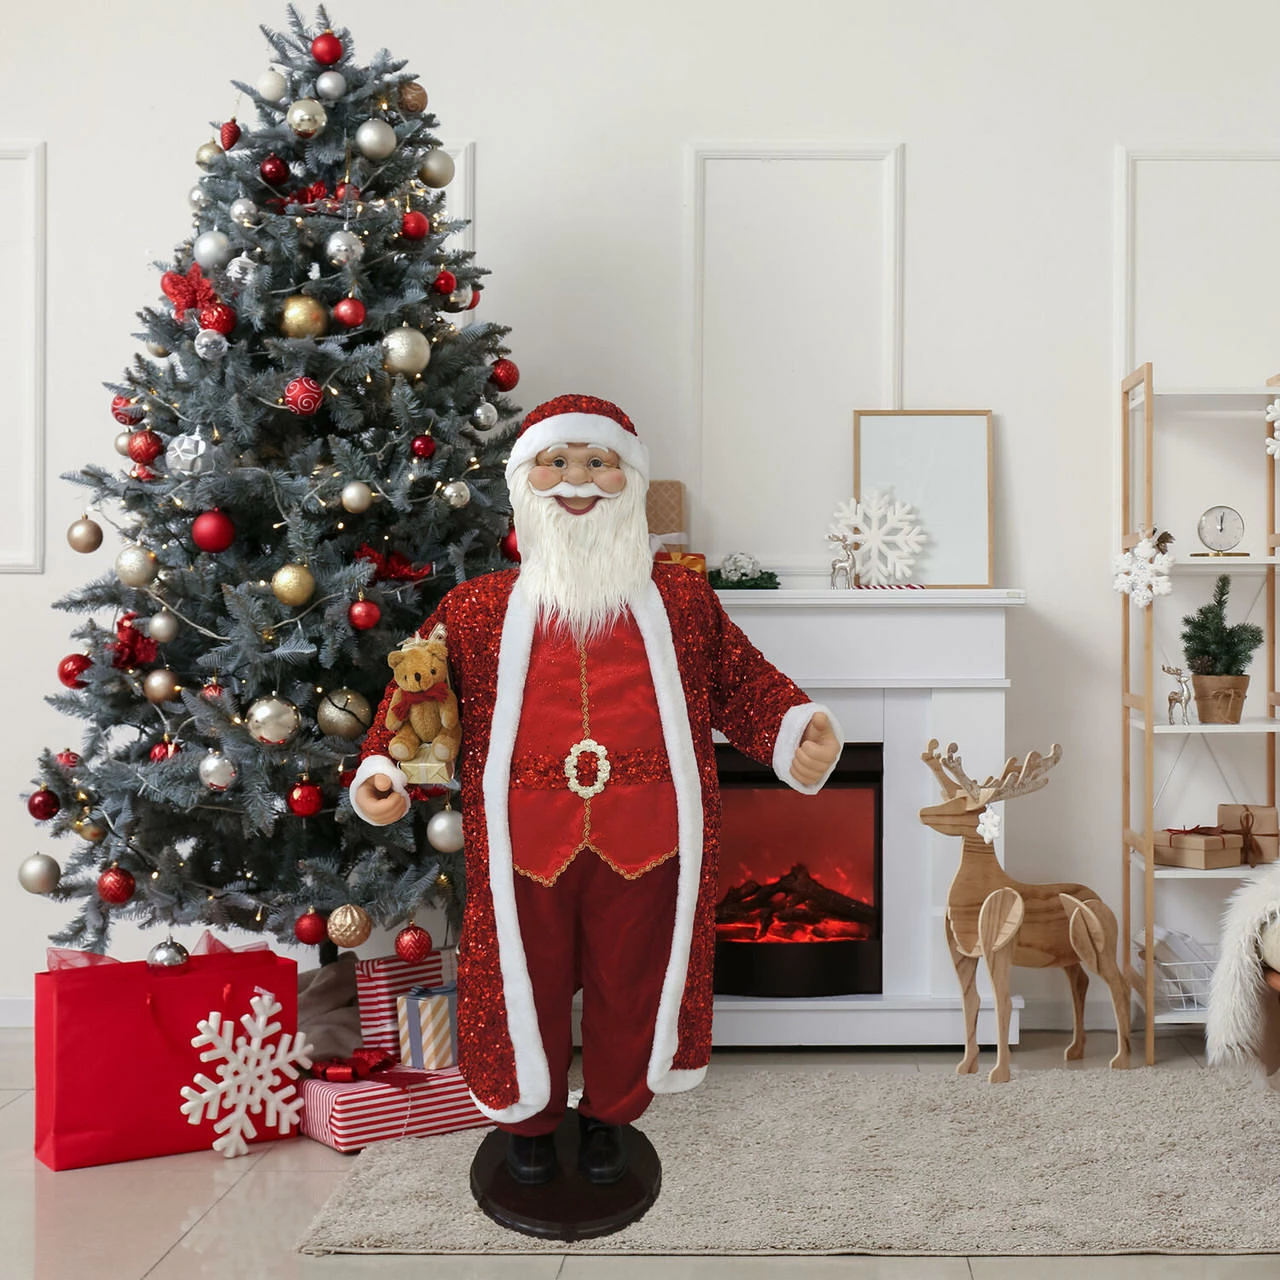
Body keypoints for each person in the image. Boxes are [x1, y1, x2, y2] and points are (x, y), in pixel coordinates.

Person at [351, 394, 842, 1184]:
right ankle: (528, 1122)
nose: (576, 480)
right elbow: (419, 705)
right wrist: (384, 773)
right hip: (523, 842)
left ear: (631, 480)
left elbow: (738, 680)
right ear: (524, 481)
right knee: (520, 980)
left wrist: (794, 728)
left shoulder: (679, 600)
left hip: (649, 835)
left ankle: (613, 1115)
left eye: (598, 462)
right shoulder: (478, 611)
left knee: (634, 980)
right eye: (557, 461)